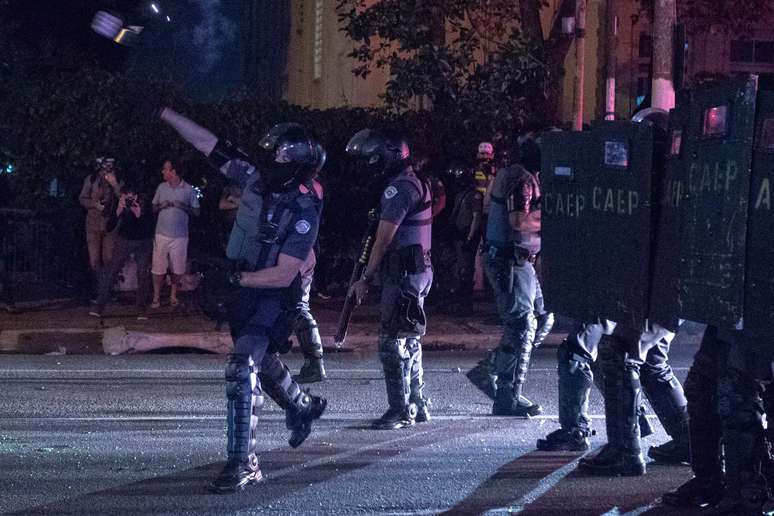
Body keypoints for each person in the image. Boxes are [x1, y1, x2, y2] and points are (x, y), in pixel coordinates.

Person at [158, 108, 327, 493]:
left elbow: (285, 272)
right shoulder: (252, 177)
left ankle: (243, 463)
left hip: (272, 292)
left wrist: (235, 278)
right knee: (261, 360)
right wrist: (167, 113)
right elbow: (207, 143)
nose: (269, 161)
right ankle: (301, 406)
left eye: (279, 157)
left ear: (296, 165)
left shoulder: (304, 208)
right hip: (241, 286)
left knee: (240, 365)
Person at [347, 129, 433, 430]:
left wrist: (365, 278)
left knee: (390, 340)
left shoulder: (398, 190)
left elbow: (383, 240)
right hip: (417, 271)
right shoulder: (415, 181)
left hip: (403, 273)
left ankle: (400, 410)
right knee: (409, 337)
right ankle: (417, 404)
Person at [482, 140, 547, 417]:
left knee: (543, 318)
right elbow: (519, 221)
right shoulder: (522, 179)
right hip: (511, 260)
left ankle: (492, 369)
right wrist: (556, 217)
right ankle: (508, 396)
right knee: (522, 326)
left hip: (518, 261)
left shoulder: (516, 175)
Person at [88, 183, 155, 319]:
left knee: (143, 273)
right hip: (124, 240)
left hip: (143, 241)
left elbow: (150, 226)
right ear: (123, 196)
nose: (129, 200)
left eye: (132, 197)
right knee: (112, 271)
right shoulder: (119, 203)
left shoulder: (145, 204)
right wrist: (118, 211)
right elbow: (109, 227)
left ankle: (141, 309)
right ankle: (99, 306)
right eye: (126, 196)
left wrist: (139, 215)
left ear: (136, 196)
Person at [150, 159, 200, 308]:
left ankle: (173, 295)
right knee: (158, 267)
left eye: (166, 169)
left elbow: (197, 211)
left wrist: (182, 206)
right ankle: (156, 296)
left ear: (174, 172)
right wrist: (161, 206)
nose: (163, 172)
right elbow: (153, 208)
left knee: (177, 268)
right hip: (161, 234)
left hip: (180, 236)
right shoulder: (161, 187)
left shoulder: (189, 189)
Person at [79, 157, 121, 296]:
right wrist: (95, 204)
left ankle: (108, 289)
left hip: (111, 224)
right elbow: (82, 198)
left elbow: (124, 197)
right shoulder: (91, 180)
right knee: (94, 260)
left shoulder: (116, 179)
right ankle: (100, 288)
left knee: (109, 258)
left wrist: (115, 185)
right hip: (93, 223)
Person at [448, 167, 483, 311]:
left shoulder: (475, 196)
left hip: (467, 234)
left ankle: (466, 303)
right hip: (459, 233)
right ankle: (461, 299)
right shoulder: (460, 194)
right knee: (460, 267)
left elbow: (476, 217)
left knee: (466, 269)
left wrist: (470, 236)